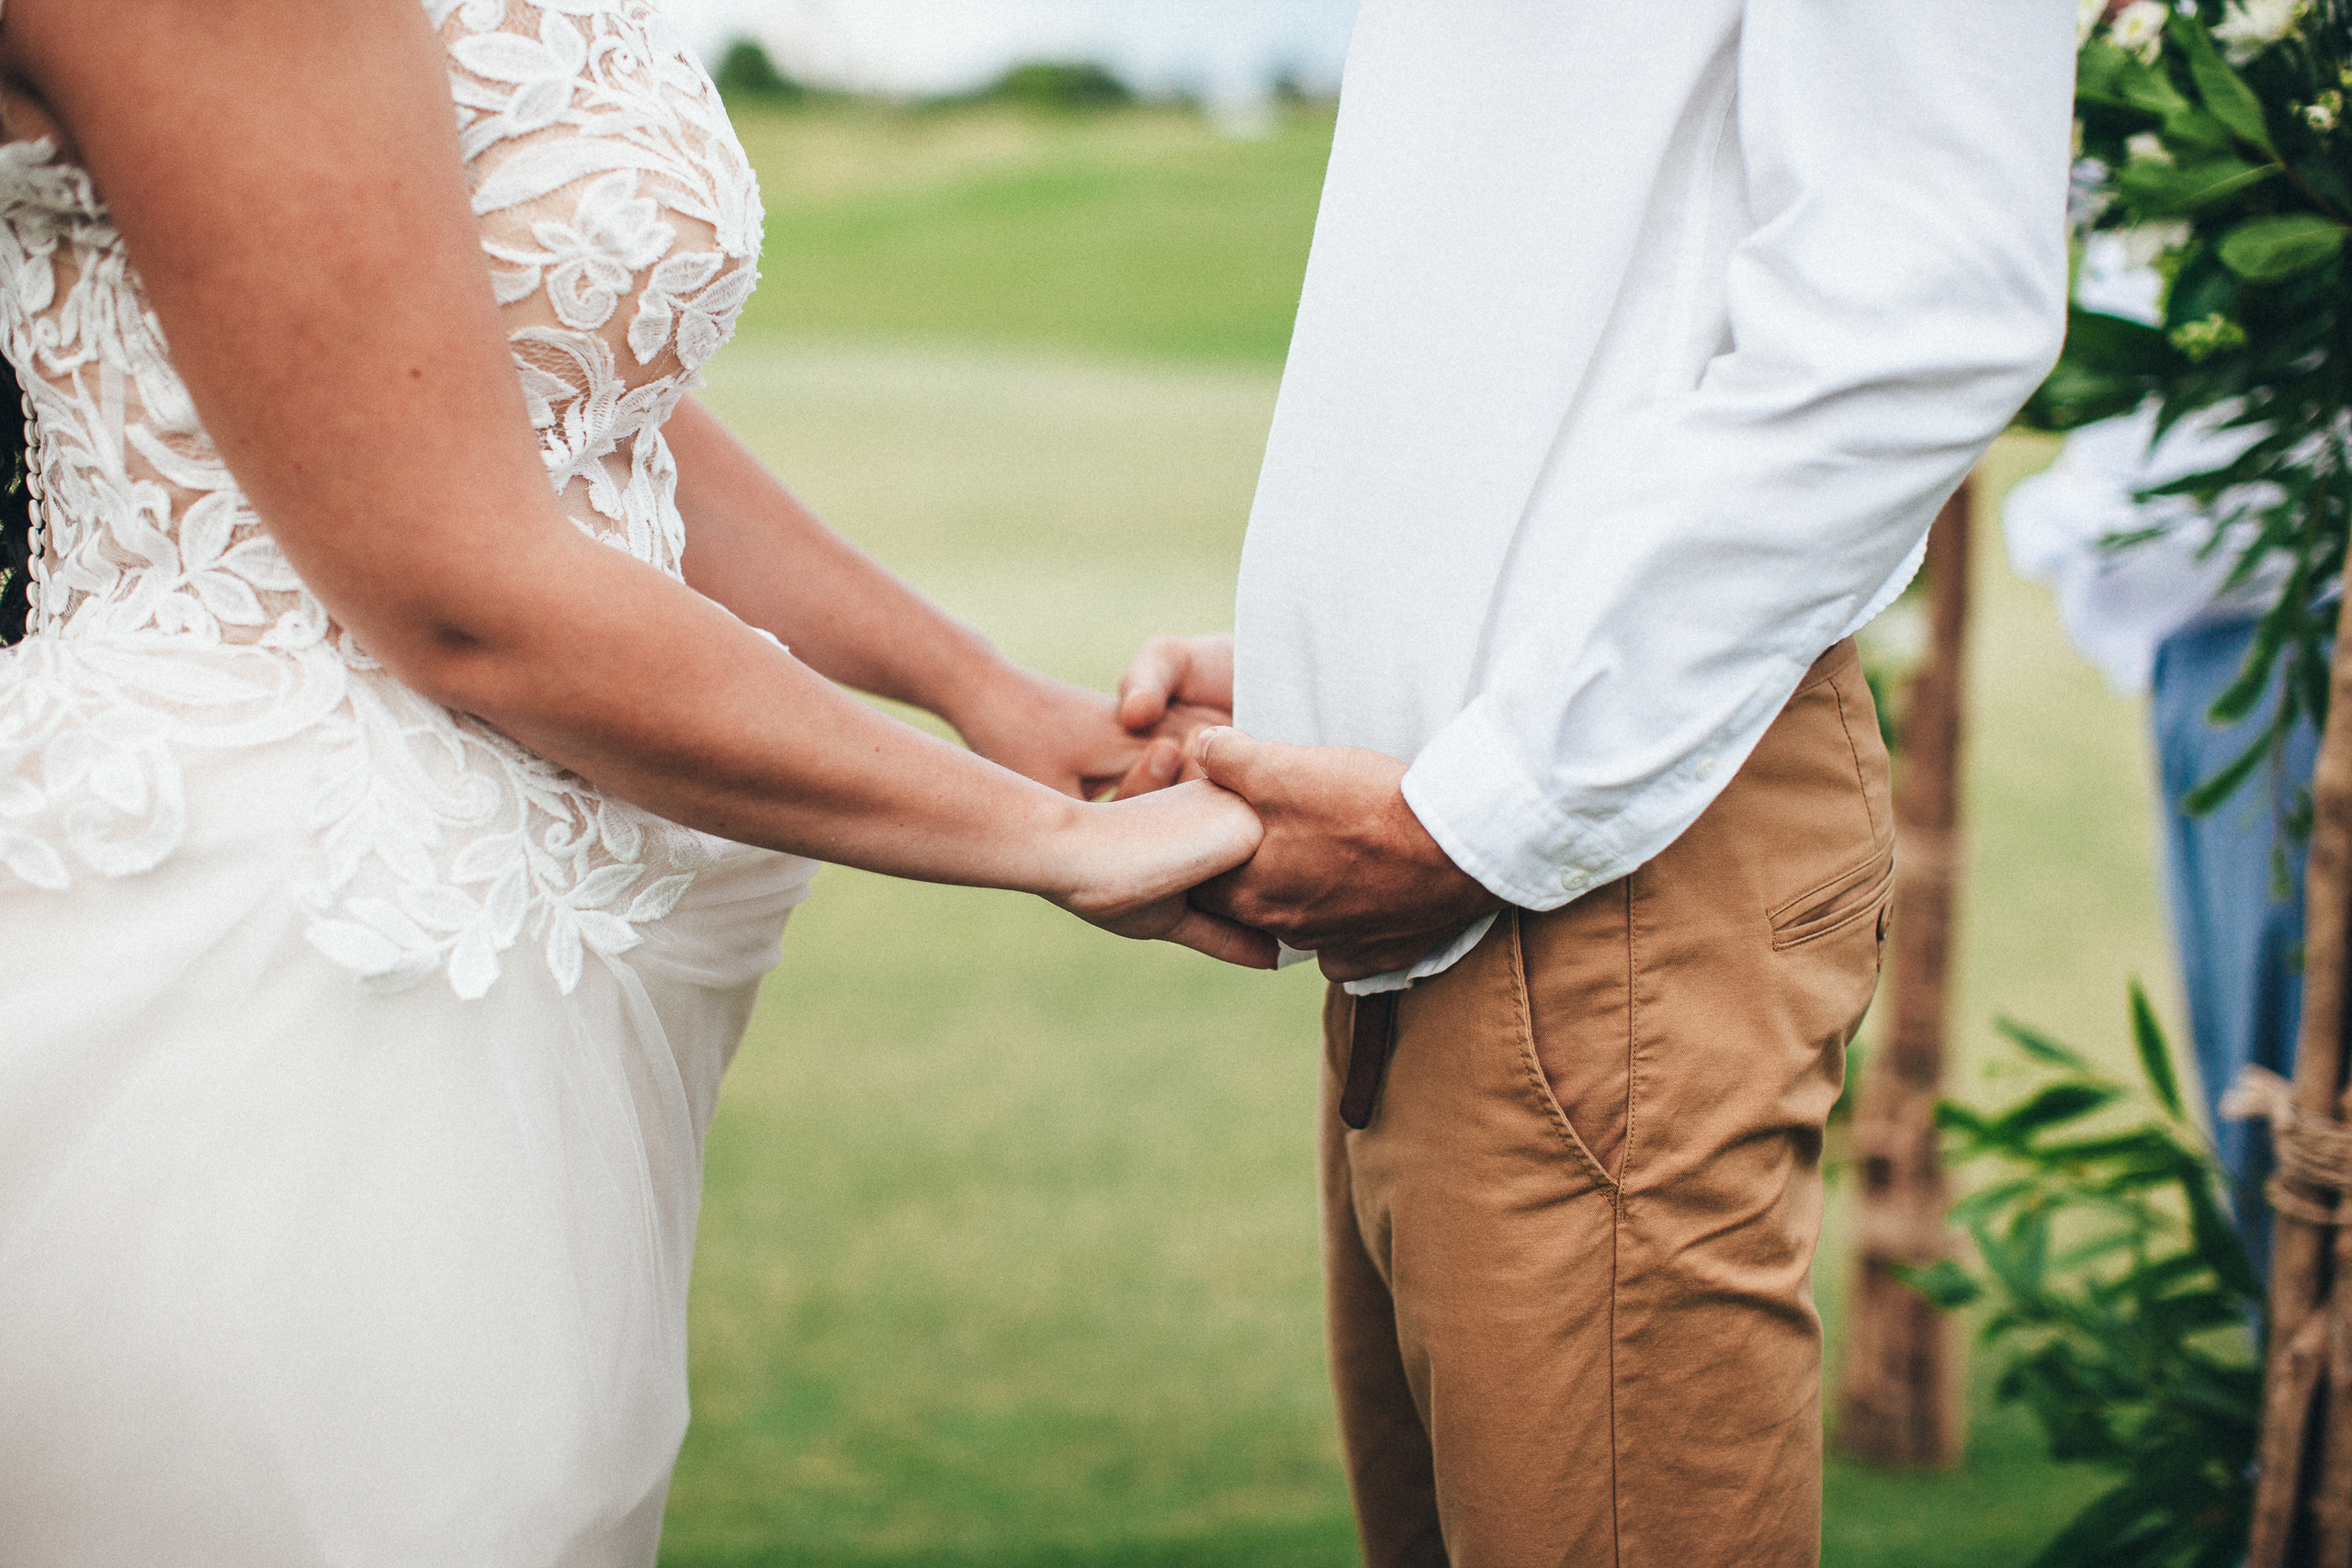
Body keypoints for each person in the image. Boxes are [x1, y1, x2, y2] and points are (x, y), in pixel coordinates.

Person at [0, 2, 1268, 1560]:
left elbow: (524, 397)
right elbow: (458, 578)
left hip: (528, 955)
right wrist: (1048, 841)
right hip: (291, 938)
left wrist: (976, 686)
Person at [1116, 6, 2075, 1564]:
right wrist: (1366, 665)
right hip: (1484, 834)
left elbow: (1924, 299)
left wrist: (1495, 802)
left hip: (1598, 861)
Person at [2003, 233, 2315, 1280]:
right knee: (2264, 1086)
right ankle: (2289, 1390)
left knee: (2289, 1073)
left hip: (2277, 599)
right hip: (2223, 611)